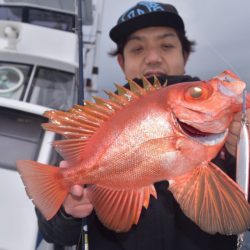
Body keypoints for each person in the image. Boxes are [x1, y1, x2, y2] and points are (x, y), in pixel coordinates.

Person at [36, 2, 247, 249]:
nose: (153, 57)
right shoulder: (96, 125)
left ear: (185, 54)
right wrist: (67, 212)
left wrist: (245, 158)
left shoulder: (236, 124)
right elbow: (55, 235)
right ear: (121, 62)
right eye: (137, 49)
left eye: (167, 45)